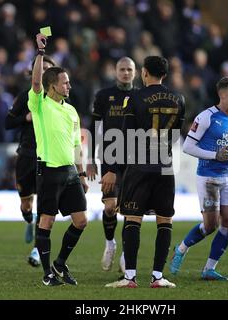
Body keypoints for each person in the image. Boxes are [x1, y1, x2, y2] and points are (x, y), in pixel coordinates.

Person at [106, 56, 185, 288]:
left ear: (144, 72)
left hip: (139, 165)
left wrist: (114, 169)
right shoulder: (179, 99)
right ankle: (158, 277)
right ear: (165, 74)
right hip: (165, 166)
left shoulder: (135, 98)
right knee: (165, 220)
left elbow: (125, 136)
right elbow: (175, 135)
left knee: (133, 218)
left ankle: (129, 277)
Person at [169, 76, 228, 281]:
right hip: (208, 178)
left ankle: (209, 269)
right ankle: (181, 249)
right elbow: (188, 147)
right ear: (222, 94)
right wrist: (215, 155)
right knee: (210, 225)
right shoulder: (206, 117)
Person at [29, 33, 89, 287]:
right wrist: (41, 53)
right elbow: (35, 82)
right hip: (49, 171)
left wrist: (83, 173)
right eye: (65, 83)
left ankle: (60, 263)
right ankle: (47, 274)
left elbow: (77, 145)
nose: (69, 86)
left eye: (69, 83)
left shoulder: (71, 110)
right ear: (52, 85)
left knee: (81, 220)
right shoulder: (40, 104)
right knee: (47, 221)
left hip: (70, 173)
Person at [86, 56, 137, 273]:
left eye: (129, 69)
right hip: (109, 158)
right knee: (109, 208)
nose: (126, 73)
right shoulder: (104, 96)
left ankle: (126, 254)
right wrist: (90, 159)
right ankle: (110, 243)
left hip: (135, 160)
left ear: (136, 72)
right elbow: (93, 127)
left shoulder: (141, 96)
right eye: (122, 69)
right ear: (115, 71)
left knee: (130, 210)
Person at [5, 54, 55, 267]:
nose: (44, 72)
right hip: (26, 155)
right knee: (27, 204)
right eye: (41, 68)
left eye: (49, 69)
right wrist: (25, 118)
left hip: (48, 157)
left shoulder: (60, 99)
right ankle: (28, 219)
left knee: (44, 204)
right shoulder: (26, 96)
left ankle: (37, 248)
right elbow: (7, 123)